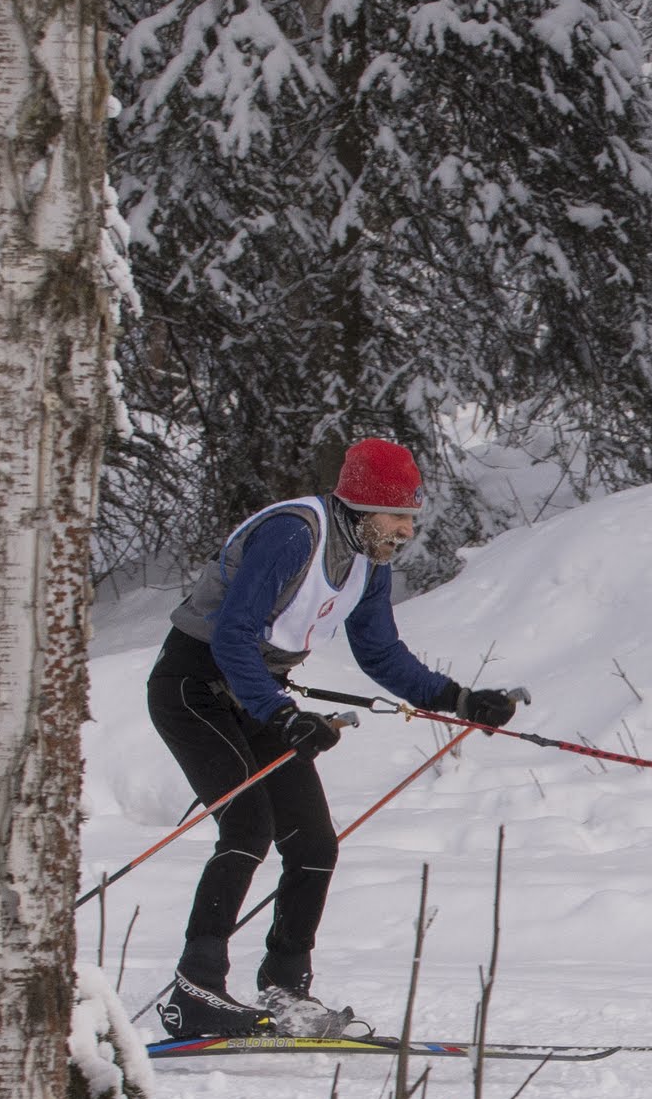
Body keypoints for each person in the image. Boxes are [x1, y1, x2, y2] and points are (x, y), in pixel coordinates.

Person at [147, 437, 525, 1039]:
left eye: (410, 518)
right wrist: (280, 711)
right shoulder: (296, 534)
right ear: (362, 508)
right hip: (195, 690)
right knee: (247, 827)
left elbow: (379, 651)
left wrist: (458, 699)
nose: (405, 530)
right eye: (398, 515)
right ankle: (195, 991)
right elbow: (232, 635)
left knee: (314, 843)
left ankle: (287, 989)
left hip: (257, 697)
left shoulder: (368, 560)